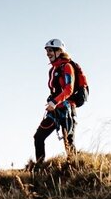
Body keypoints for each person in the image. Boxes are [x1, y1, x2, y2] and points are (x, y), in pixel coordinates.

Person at [32, 38, 77, 167]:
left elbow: (69, 89)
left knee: (69, 143)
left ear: (59, 51)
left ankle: (74, 169)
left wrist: (54, 102)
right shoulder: (52, 70)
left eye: (50, 50)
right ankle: (40, 167)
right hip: (55, 111)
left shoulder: (67, 67)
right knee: (38, 137)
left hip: (67, 110)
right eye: (47, 51)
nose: (48, 54)